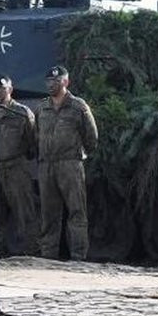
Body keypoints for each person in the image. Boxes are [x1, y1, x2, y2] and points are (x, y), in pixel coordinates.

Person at [34, 65, 98, 261]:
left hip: (70, 164)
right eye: (49, 81)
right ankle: (48, 255)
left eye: (56, 81)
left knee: (76, 211)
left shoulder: (78, 106)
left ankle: (78, 255)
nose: (52, 84)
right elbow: (36, 134)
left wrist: (77, 154)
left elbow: (91, 137)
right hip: (46, 165)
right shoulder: (42, 107)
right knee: (48, 213)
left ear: (66, 82)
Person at [0, 75, 40, 256]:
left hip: (15, 167)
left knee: (23, 209)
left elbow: (32, 141)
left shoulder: (22, 113)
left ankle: (28, 249)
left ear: (10, 89)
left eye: (1, 88)